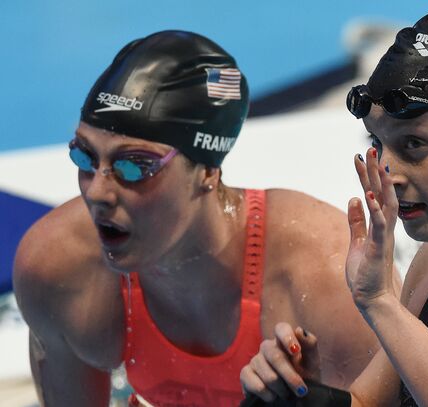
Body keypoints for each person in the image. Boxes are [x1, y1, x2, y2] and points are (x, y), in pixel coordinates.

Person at [11, 30, 395, 407]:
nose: (97, 192)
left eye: (134, 167)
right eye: (85, 158)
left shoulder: (329, 280)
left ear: (207, 171)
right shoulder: (58, 267)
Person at [240, 9, 428, 406]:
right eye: (379, 144)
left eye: (414, 145)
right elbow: (370, 402)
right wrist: (304, 394)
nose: (389, 172)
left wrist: (381, 304)